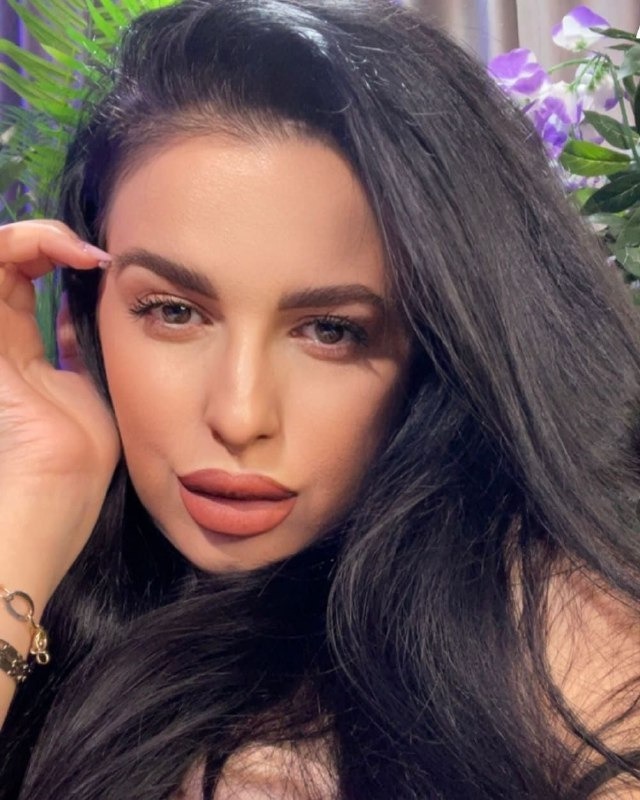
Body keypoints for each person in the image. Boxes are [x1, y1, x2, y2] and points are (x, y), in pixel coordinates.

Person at [1, 0, 640, 797]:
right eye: (173, 311)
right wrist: (36, 497)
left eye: (331, 331)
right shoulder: (66, 572)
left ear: (439, 347)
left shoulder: (560, 642)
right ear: (87, 317)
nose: (240, 416)